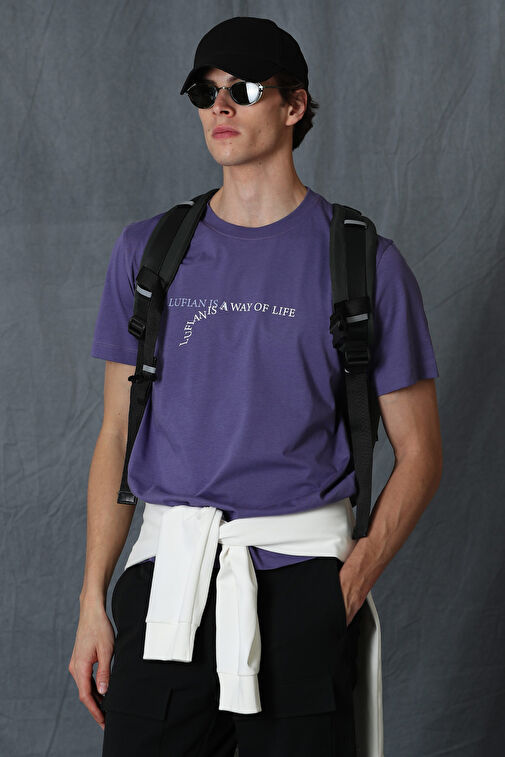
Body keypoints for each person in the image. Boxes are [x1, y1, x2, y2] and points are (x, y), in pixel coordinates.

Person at [68, 15, 443, 757]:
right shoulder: (149, 253)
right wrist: (92, 600)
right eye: (204, 91)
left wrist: (348, 582)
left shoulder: (364, 263)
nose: (220, 107)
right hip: (168, 580)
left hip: (302, 582)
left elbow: (421, 451)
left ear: (294, 105)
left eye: (242, 89)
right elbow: (115, 434)